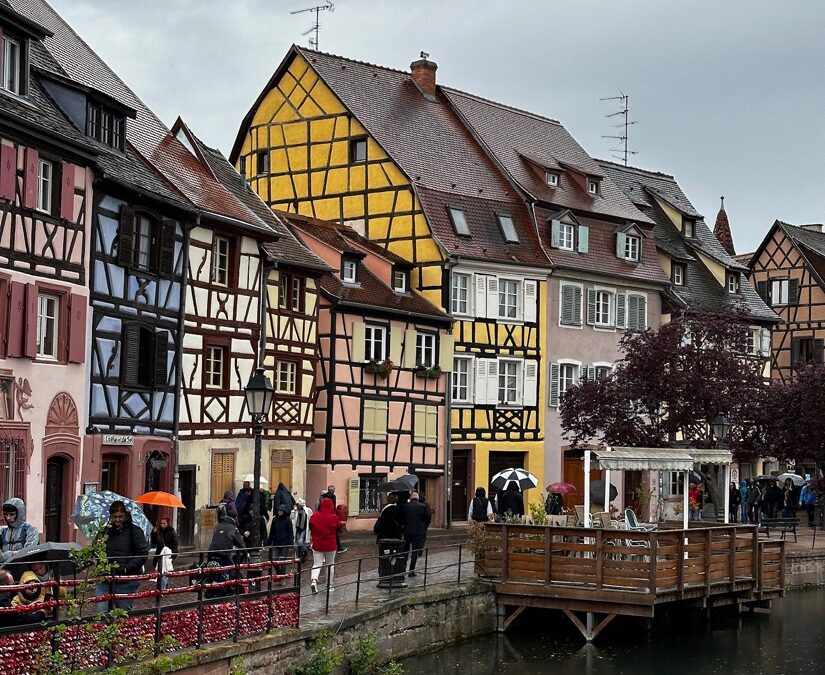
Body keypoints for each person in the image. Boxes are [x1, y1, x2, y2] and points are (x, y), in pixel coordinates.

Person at [94, 500, 149, 614]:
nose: (118, 519)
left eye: (120, 516)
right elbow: (96, 551)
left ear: (125, 515)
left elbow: (142, 553)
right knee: (101, 613)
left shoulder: (135, 531)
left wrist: (126, 568)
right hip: (105, 580)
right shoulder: (105, 532)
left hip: (126, 580)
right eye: (115, 517)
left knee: (122, 614)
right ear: (111, 516)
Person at [308, 497, 342, 594]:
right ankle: (330, 585)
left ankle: (314, 580)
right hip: (330, 545)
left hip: (317, 543)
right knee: (330, 564)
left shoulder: (314, 516)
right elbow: (339, 527)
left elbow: (311, 527)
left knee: (317, 563)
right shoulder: (333, 517)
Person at [1, 498, 40, 567]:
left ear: (19, 514)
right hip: (3, 567)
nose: (8, 518)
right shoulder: (2, 531)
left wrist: (6, 555)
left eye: (11, 514)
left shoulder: (31, 530)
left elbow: (28, 552)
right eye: (6, 514)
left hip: (23, 568)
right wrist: (13, 553)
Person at [401, 491, 431, 577]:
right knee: (415, 551)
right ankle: (411, 570)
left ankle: (403, 568)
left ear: (410, 498)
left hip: (407, 531)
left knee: (405, 550)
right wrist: (424, 526)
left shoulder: (405, 506)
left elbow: (401, 518)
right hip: (418, 531)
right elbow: (428, 517)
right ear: (417, 498)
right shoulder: (423, 506)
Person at [267, 502, 295, 581]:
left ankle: (282, 578)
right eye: (278, 510)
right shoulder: (275, 519)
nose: (279, 512)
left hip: (284, 543)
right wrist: (269, 543)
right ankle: (279, 574)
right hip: (276, 542)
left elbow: (290, 532)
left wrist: (290, 544)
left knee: (283, 561)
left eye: (281, 511)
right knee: (274, 559)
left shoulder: (287, 520)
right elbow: (272, 532)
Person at [150, 516, 179, 591]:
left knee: (165, 571)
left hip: (168, 554)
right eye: (161, 523)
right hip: (159, 554)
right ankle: (164, 585)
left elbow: (175, 543)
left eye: (164, 523)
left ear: (167, 523)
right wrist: (154, 533)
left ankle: (161, 588)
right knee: (160, 571)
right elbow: (154, 543)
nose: (162, 525)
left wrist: (174, 554)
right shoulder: (158, 531)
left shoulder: (171, 531)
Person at [291, 498, 312, 563]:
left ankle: (305, 551)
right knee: (298, 543)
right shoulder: (295, 511)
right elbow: (292, 518)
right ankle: (301, 557)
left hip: (303, 529)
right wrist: (293, 511)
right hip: (297, 529)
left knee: (300, 541)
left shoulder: (307, 511)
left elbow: (310, 517)